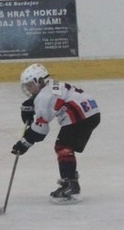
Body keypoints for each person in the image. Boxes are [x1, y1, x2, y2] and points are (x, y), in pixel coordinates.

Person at [10, 64, 102, 202]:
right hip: (91, 112)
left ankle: (70, 186)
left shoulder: (43, 97)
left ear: (40, 81)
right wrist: (32, 104)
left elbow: (41, 130)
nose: (28, 89)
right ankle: (70, 182)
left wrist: (24, 143)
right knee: (65, 146)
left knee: (63, 147)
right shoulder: (52, 85)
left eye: (30, 85)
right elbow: (54, 99)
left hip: (80, 115)